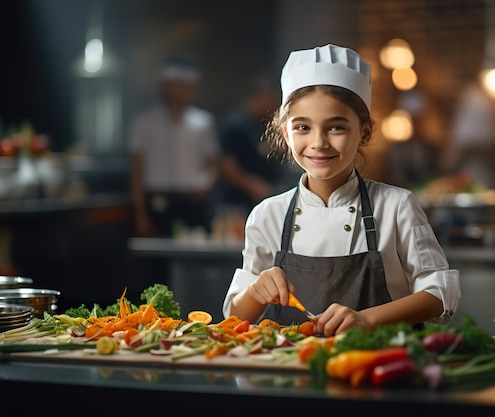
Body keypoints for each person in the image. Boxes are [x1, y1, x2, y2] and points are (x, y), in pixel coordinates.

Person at [222, 44, 461, 336]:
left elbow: (439, 294)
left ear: (365, 132)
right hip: (292, 372)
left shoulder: (396, 206)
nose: (319, 142)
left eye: (336, 127)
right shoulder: (267, 215)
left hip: (381, 367)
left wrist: (368, 319)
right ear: (285, 133)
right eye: (303, 127)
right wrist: (257, 290)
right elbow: (235, 316)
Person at [128, 56, 221, 238]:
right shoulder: (144, 122)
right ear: (165, 86)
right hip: (156, 200)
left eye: (185, 87)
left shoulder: (203, 122)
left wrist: (207, 184)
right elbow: (136, 171)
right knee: (156, 261)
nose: (179, 91)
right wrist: (140, 215)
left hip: (192, 201)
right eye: (176, 85)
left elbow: (213, 162)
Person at [218, 76, 300, 215]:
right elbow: (227, 167)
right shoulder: (236, 126)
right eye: (272, 99)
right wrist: (252, 185)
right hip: (240, 200)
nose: (276, 105)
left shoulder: (265, 123)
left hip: (269, 195)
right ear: (262, 97)